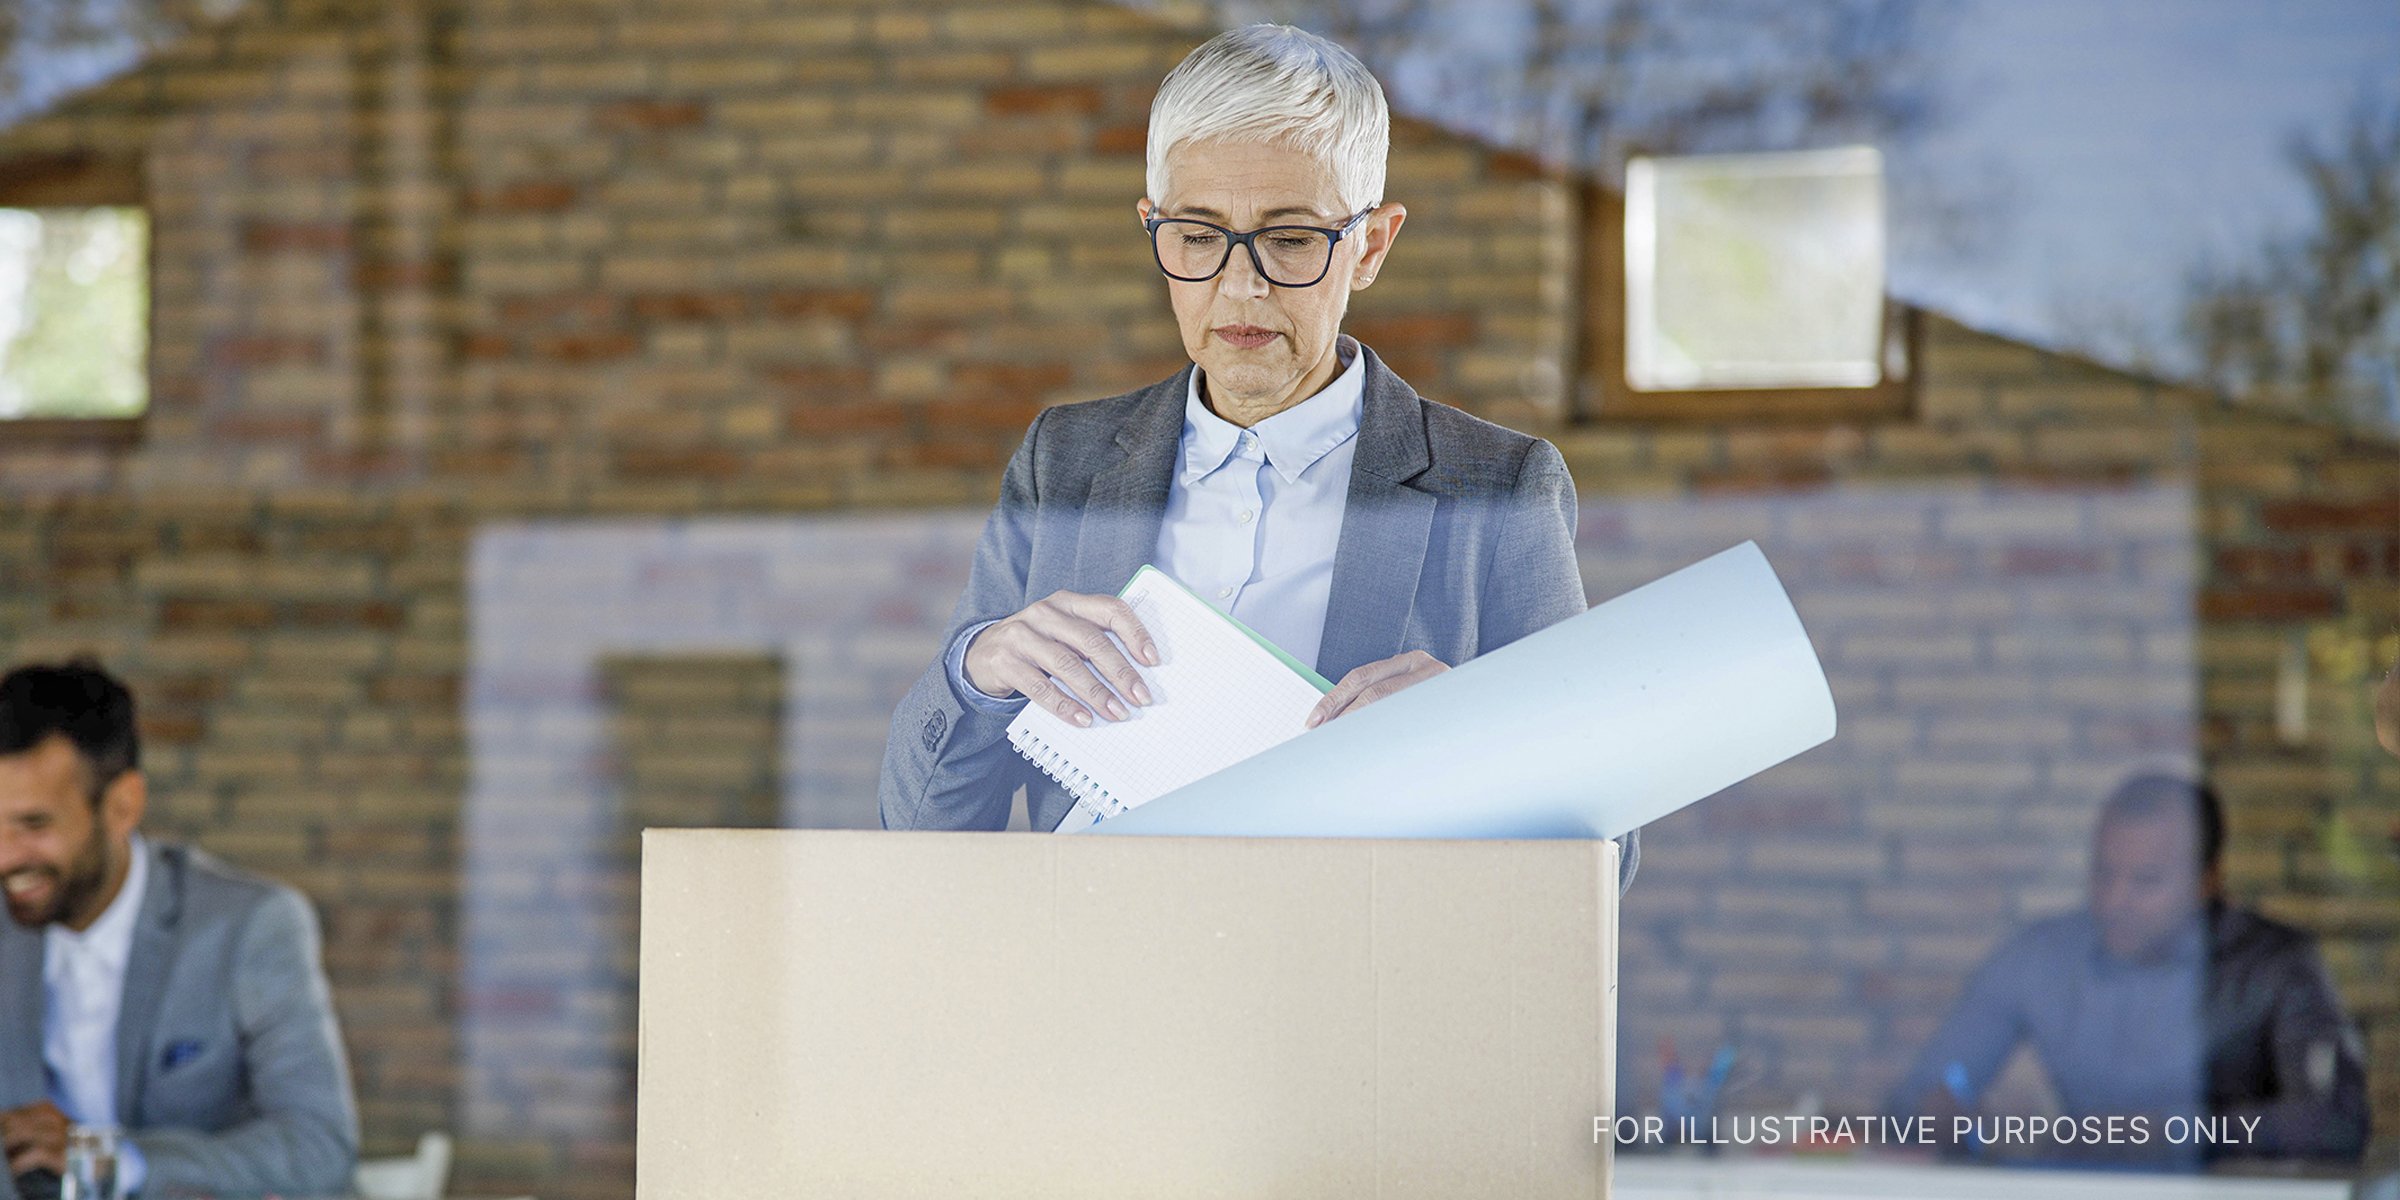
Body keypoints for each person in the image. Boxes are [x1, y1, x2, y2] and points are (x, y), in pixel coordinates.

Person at [875, 24, 1638, 888]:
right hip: (1100, 981)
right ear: (1153, 228)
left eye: (1290, 240)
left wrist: (1471, 745)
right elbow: (921, 825)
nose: (1241, 286)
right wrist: (980, 674)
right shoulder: (1067, 462)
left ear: (1372, 246)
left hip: (1354, 991)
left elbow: (1602, 859)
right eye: (1199, 238)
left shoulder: (1497, 486)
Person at [0, 660, 359, 1197]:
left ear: (123, 807)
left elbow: (319, 1146)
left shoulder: (248, 927)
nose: (5, 856)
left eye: (35, 824)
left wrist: (110, 1160)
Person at [1887, 773, 2368, 1165]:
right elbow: (1933, 1087)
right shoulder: (2042, 956)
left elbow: (2335, 1121)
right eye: (2103, 873)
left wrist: (2161, 1132)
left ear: (2209, 880)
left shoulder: (2275, 965)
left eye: (2146, 880)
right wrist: (1944, 1113)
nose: (2115, 900)